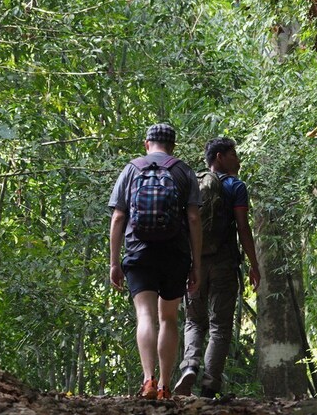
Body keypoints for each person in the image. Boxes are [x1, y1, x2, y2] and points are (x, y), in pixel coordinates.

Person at [108, 123, 202, 400]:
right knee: (169, 317)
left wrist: (114, 262)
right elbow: (194, 219)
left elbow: (117, 218)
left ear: (146, 143)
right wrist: (197, 264)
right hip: (175, 253)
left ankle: (147, 380)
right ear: (173, 146)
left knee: (145, 316)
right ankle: (163, 384)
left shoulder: (131, 169)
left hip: (138, 252)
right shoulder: (184, 171)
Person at [173, 137, 261, 398]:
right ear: (220, 157)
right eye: (234, 154)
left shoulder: (192, 185)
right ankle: (210, 385)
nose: (238, 159)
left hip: (195, 263)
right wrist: (254, 265)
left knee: (194, 322)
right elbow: (243, 228)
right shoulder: (235, 186)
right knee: (220, 326)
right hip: (224, 263)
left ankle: (189, 366)